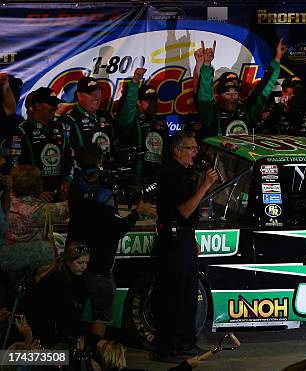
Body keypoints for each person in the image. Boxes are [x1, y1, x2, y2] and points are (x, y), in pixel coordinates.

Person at [67, 143, 152, 340]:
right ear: (99, 162)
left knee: (74, 313)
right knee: (101, 316)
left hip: (75, 261)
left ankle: (73, 355)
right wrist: (137, 213)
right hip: (98, 266)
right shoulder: (102, 195)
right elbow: (115, 230)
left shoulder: (74, 186)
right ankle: (95, 356)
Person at [151, 130, 218, 362]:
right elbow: (184, 210)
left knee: (187, 294)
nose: (196, 152)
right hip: (172, 241)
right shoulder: (172, 174)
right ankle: (166, 347)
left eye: (196, 148)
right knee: (173, 294)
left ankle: (183, 342)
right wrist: (205, 185)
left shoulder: (185, 172)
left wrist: (193, 236)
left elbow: (186, 218)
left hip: (183, 237)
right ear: (178, 151)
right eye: (191, 148)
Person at [194, 39, 285, 137]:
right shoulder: (211, 114)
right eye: (228, 93)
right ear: (219, 95)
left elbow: (264, 88)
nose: (232, 96)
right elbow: (205, 93)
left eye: (235, 93)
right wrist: (206, 64)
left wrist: (277, 59)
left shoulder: (247, 110)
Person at [0, 165, 68, 275]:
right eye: (40, 182)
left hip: (7, 253)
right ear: (34, 187)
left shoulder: (6, 195)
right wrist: (66, 194)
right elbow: (70, 209)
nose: (42, 183)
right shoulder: (37, 210)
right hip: (25, 259)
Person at [5, 87, 72, 199]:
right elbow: (14, 165)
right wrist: (34, 191)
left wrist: (67, 180)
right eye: (51, 104)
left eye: (56, 104)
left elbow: (68, 156)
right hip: (31, 198)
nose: (55, 108)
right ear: (38, 105)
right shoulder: (22, 130)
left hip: (59, 194)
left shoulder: (60, 127)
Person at [20, 241, 89, 348]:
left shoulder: (74, 279)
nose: (84, 267)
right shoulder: (58, 280)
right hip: (44, 337)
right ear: (68, 262)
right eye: (80, 263)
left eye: (86, 263)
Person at [116, 67, 169, 184]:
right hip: (132, 181)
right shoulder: (129, 120)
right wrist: (135, 82)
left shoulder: (160, 122)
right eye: (148, 101)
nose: (152, 104)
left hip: (155, 181)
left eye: (154, 101)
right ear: (138, 102)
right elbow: (128, 107)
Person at [59, 76, 114, 154]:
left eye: (98, 92)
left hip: (109, 165)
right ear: (79, 95)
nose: (96, 97)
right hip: (84, 166)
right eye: (91, 93)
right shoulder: (69, 119)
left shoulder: (107, 115)